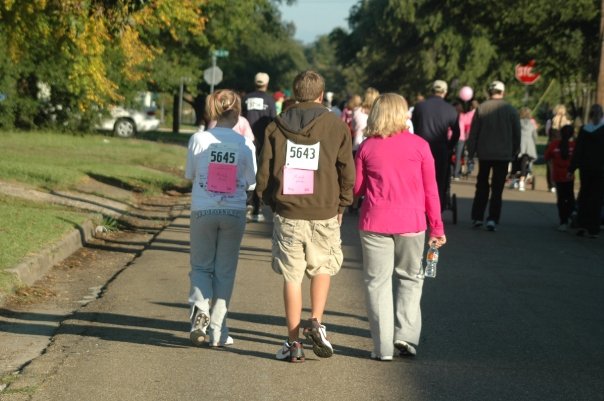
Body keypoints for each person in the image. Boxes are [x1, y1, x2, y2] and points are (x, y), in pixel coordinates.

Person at [256, 70, 355, 363]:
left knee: (292, 275)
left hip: (288, 210)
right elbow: (346, 170)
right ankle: (317, 320)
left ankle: (293, 342)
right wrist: (343, 204)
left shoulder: (275, 127)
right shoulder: (336, 126)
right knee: (322, 266)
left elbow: (265, 168)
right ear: (321, 95)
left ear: (294, 94)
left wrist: (265, 198)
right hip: (325, 208)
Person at [354, 93, 446, 361]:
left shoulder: (367, 147)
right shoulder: (420, 146)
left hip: (374, 221)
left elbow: (357, 190)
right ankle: (405, 335)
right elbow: (431, 191)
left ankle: (382, 347)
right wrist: (437, 228)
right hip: (412, 222)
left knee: (377, 282)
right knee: (410, 277)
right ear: (403, 113)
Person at [185, 89, 257, 347]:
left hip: (203, 209)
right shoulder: (245, 144)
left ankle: (200, 311)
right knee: (225, 271)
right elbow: (251, 182)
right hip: (233, 211)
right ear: (238, 113)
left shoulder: (198, 139)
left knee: (201, 266)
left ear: (213, 111)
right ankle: (218, 330)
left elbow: (190, 173)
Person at [466, 80, 520, 231]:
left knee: (482, 185)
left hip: (484, 153)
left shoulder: (482, 108)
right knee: (497, 189)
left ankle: (477, 217)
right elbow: (517, 133)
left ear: (490, 92)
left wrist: (471, 152)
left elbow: (474, 133)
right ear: (502, 92)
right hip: (503, 154)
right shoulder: (510, 109)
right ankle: (492, 219)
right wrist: (515, 150)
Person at [411, 80, 460, 210]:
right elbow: (456, 132)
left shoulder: (419, 107)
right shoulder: (450, 109)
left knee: (419, 179)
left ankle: (419, 205)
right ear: (445, 92)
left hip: (420, 149)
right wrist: (449, 146)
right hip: (440, 149)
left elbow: (415, 127)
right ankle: (436, 208)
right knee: (439, 180)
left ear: (432, 90)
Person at [242, 72, 277, 222]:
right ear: (266, 84)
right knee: (261, 173)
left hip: (246, 141)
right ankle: (258, 207)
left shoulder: (246, 98)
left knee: (246, 171)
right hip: (263, 142)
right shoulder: (269, 99)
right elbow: (273, 121)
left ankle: (247, 203)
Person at [569, 104, 604, 238]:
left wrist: (572, 168)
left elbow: (578, 151)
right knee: (597, 198)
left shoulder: (584, 130)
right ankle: (593, 227)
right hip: (600, 169)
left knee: (584, 195)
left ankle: (582, 224)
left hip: (585, 168)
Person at [544, 124, 576, 231]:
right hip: (569, 176)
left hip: (557, 175)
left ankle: (563, 220)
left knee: (561, 198)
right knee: (570, 197)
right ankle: (570, 214)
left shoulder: (554, 145)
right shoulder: (574, 146)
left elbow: (546, 156)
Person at [545, 104, 572, 193]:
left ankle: (551, 185)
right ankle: (562, 182)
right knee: (563, 165)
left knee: (550, 166)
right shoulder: (567, 122)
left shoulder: (550, 121)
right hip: (563, 145)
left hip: (552, 144)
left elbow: (547, 132)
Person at [517, 107, 538, 191]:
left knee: (519, 160)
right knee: (526, 161)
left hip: (520, 146)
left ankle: (521, 178)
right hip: (529, 147)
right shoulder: (532, 124)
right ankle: (525, 175)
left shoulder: (518, 123)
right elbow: (535, 136)